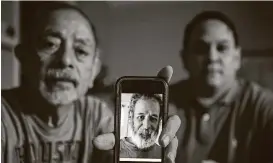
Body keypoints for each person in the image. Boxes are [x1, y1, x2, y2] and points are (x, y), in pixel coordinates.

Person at [1, 2, 181, 163]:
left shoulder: (95, 114)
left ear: (94, 70)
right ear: (23, 56)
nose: (65, 60)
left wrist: (147, 149)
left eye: (80, 50)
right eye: (50, 44)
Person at [170, 11, 273, 163]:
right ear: (185, 59)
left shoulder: (264, 105)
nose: (212, 57)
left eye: (222, 48)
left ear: (237, 58)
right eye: (201, 48)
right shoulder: (164, 102)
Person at [120, 94, 162, 159]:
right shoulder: (115, 149)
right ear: (131, 117)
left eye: (153, 118)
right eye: (141, 117)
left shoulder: (163, 153)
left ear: (159, 121)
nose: (146, 126)